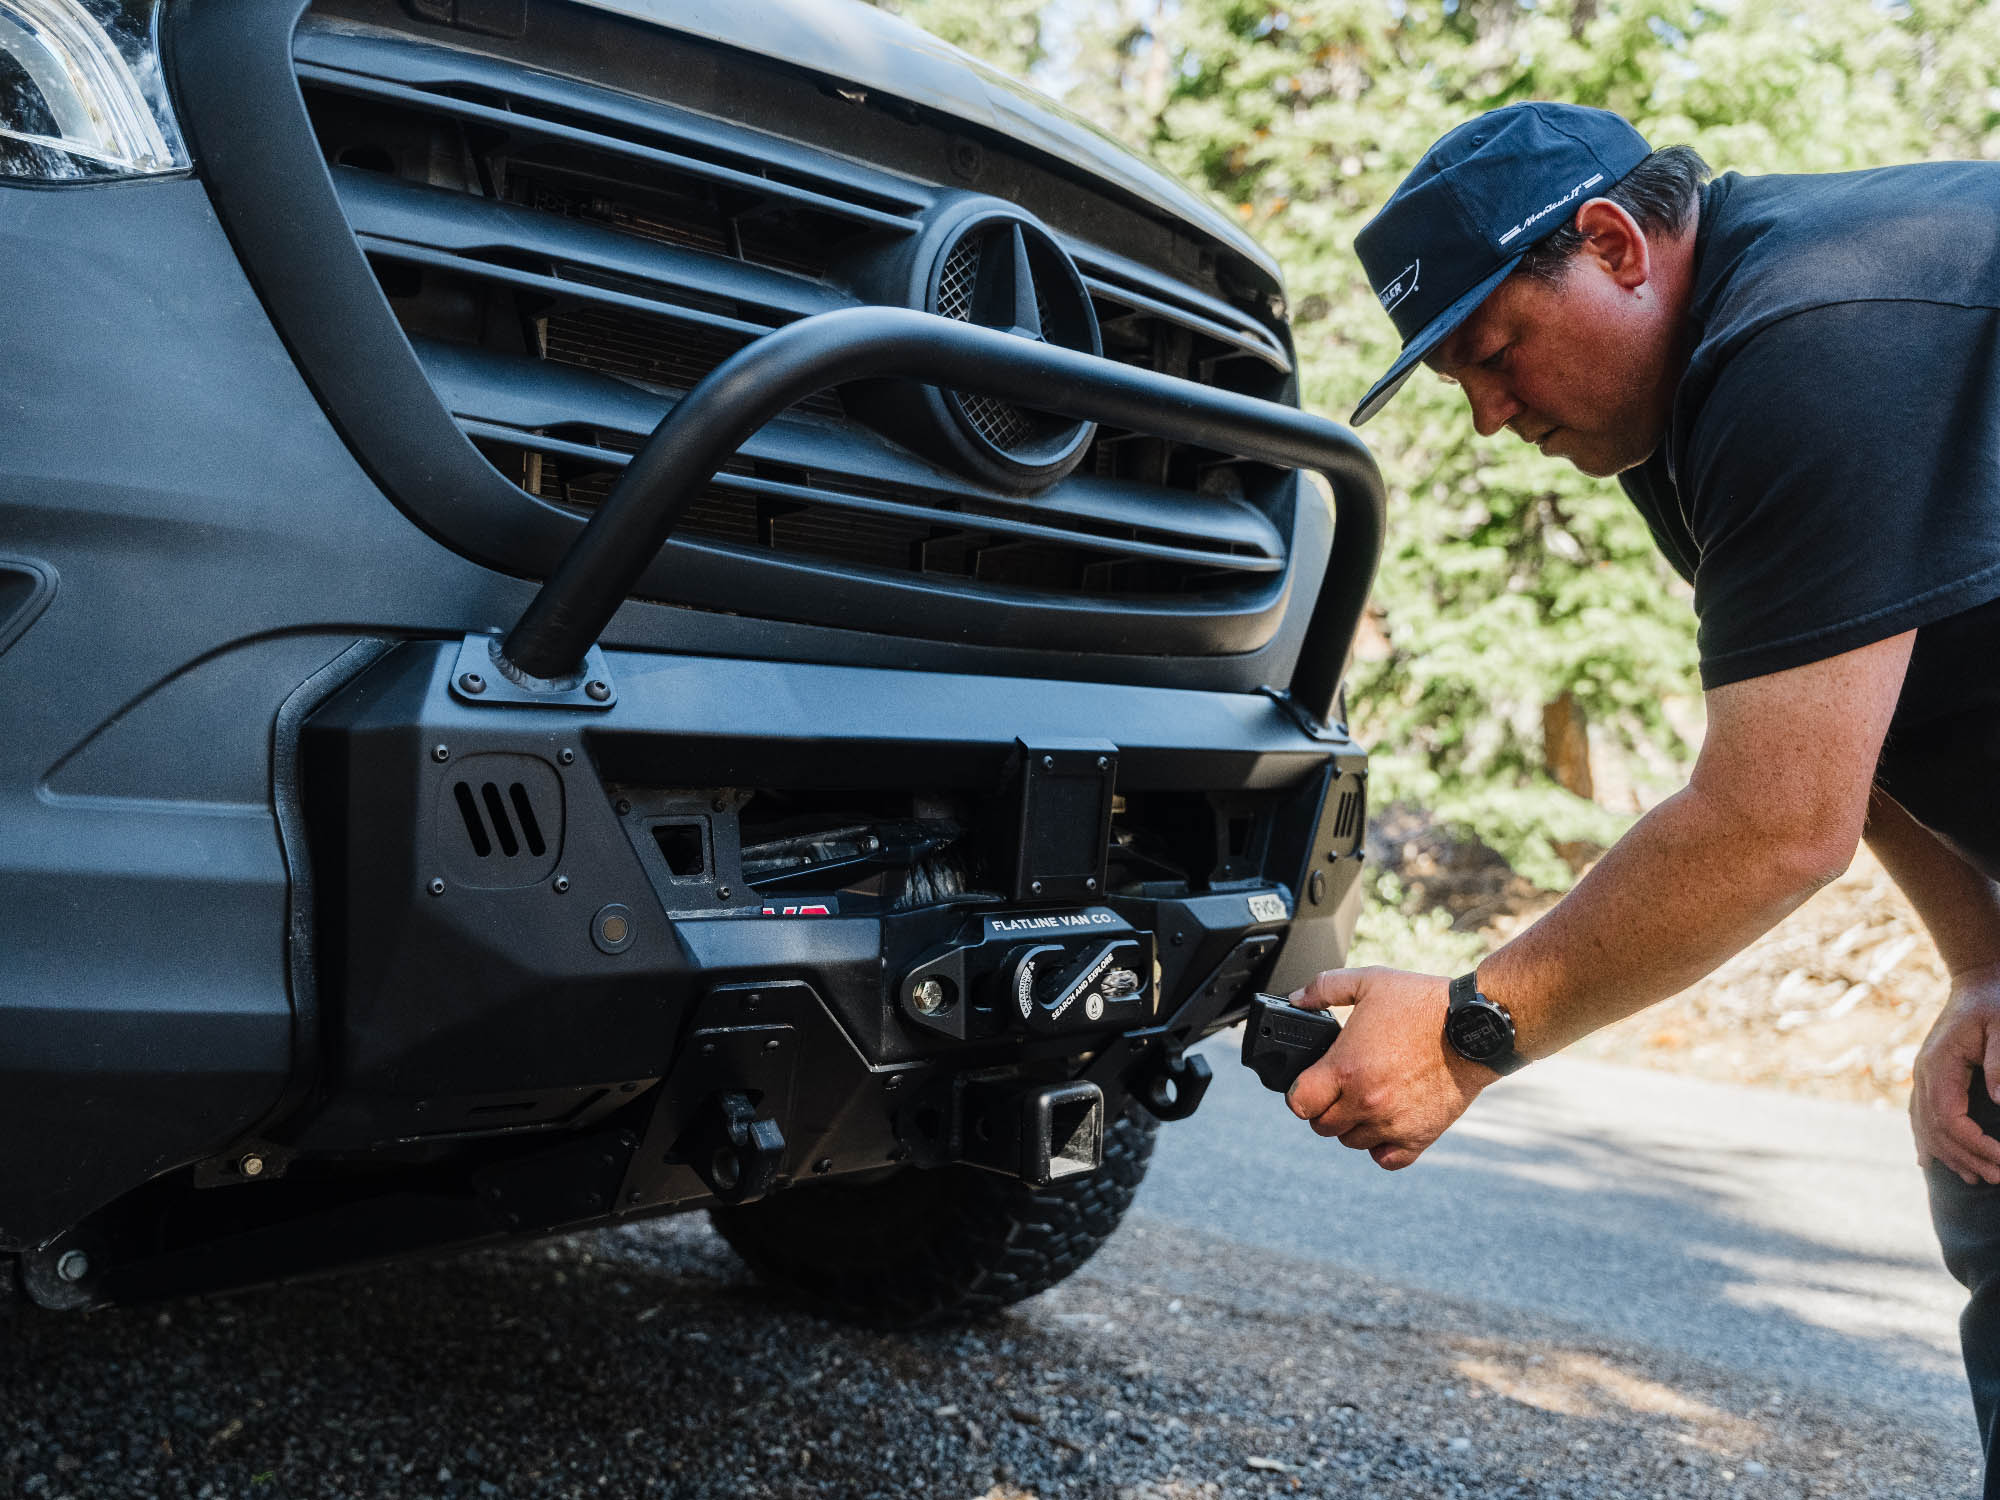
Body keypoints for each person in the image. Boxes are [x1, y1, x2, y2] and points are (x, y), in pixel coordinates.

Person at [1300, 100, 2000, 1492]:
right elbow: (1849, 751)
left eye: (1498, 353)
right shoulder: (1672, 419)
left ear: (1615, 245)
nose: (1492, 416)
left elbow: (1772, 825)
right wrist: (1983, 965)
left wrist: (1466, 1037)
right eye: (1458, 386)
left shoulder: (1811, 335)